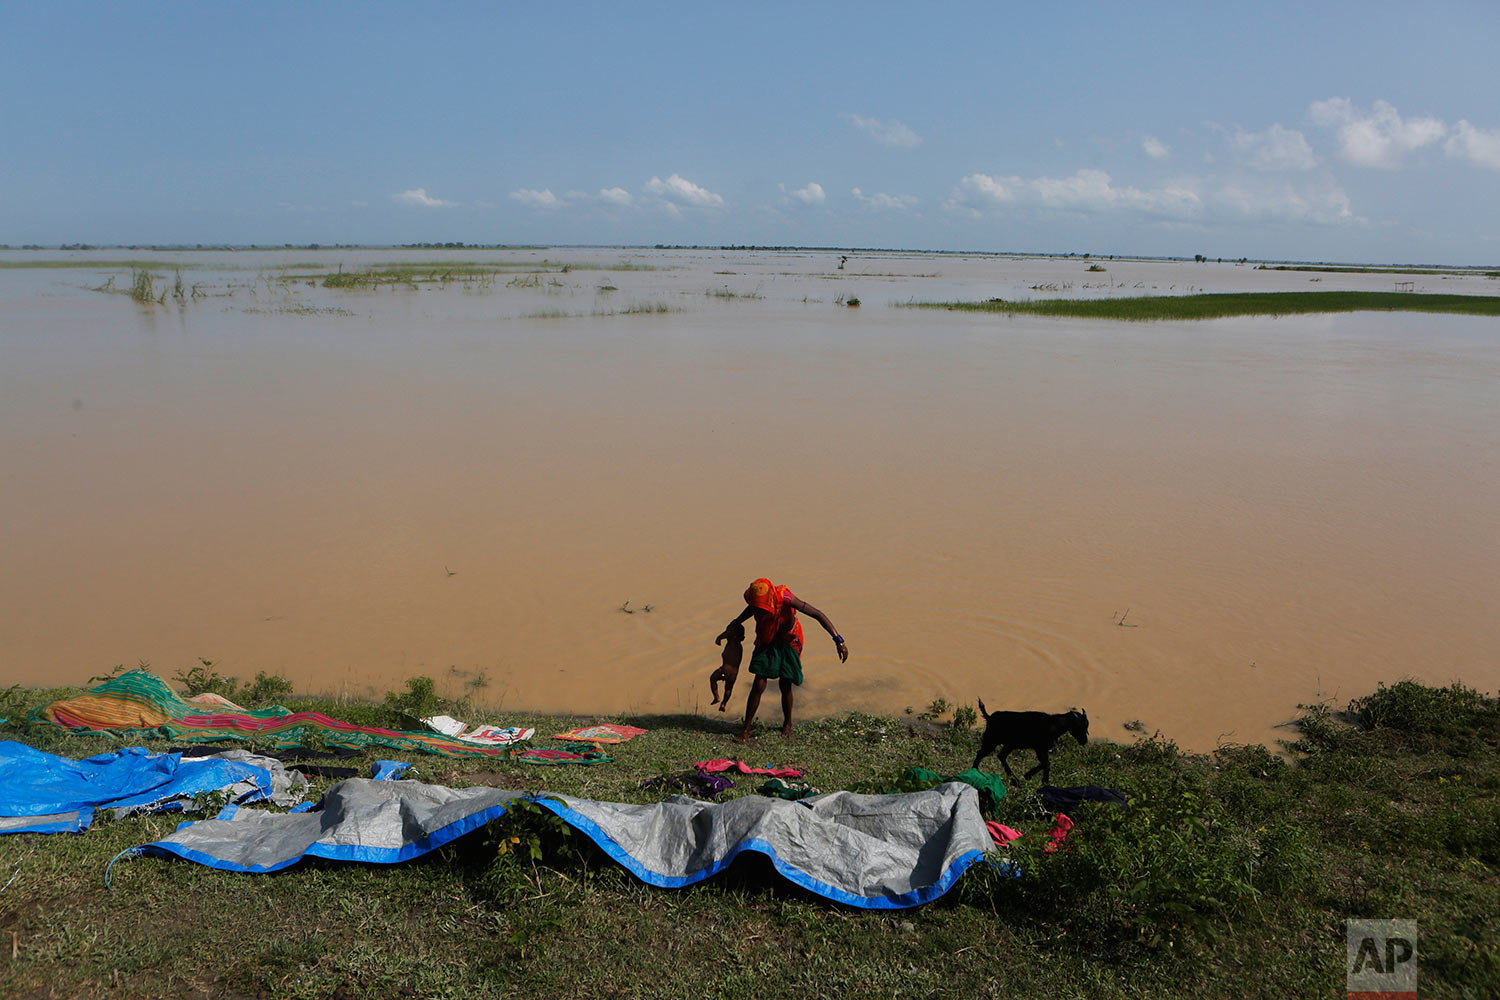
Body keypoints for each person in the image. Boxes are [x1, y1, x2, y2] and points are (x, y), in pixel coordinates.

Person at [716, 577, 848, 742]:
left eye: (762, 608)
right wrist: (735, 622)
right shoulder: (757, 605)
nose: (759, 611)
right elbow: (750, 610)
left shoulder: (785, 597)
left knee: (785, 683)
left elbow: (817, 614)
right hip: (767, 639)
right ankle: (745, 731)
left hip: (789, 640)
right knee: (758, 683)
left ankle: (787, 724)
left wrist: (838, 640)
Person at [708, 621, 745, 711]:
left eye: (728, 631)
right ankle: (724, 704)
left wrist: (719, 638)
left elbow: (728, 633)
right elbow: (730, 633)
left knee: (712, 678)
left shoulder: (732, 643)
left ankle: (716, 697)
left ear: (733, 635)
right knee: (728, 689)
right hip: (734, 674)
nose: (726, 632)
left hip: (724, 671)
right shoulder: (739, 646)